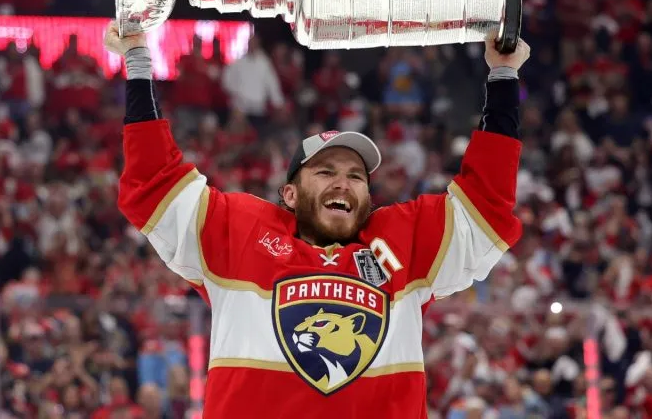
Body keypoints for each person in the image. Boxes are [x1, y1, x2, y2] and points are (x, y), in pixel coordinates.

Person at [105, 21, 530, 418]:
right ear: (289, 193)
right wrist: (139, 60)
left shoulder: (402, 241)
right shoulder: (242, 231)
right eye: (325, 173)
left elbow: (484, 205)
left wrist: (504, 75)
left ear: (368, 196)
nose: (342, 184)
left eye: (355, 176)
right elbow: (155, 182)